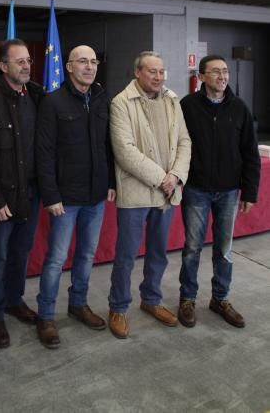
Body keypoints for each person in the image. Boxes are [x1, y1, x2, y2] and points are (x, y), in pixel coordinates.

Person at [35, 45, 115, 349]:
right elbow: (44, 152)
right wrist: (51, 194)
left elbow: (108, 144)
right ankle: (46, 315)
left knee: (86, 255)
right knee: (56, 260)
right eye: (83, 61)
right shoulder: (53, 102)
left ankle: (78, 304)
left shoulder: (100, 98)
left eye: (94, 61)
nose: (89, 67)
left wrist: (110, 181)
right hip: (65, 199)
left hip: (95, 195)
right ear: (69, 67)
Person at [108, 51, 191, 339]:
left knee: (158, 253)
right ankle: (118, 307)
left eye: (161, 72)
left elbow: (184, 140)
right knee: (127, 255)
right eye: (152, 71)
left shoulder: (172, 100)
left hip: (167, 193)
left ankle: (151, 300)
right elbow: (124, 150)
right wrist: (161, 178)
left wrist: (176, 176)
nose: (158, 77)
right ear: (138, 73)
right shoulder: (121, 102)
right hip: (137, 192)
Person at [178, 55, 260, 328]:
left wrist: (249, 191)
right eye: (216, 72)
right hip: (196, 189)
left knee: (224, 250)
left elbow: (250, 152)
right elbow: (177, 145)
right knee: (192, 248)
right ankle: (187, 298)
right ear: (201, 77)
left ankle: (220, 298)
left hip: (228, 192)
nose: (222, 76)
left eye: (225, 71)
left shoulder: (239, 108)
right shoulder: (187, 106)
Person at [0, 39, 45, 348]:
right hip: (1, 198)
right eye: (19, 61)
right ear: (3, 67)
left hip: (30, 193)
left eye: (28, 60)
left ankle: (14, 301)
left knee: (20, 253)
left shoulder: (37, 97)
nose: (26, 65)